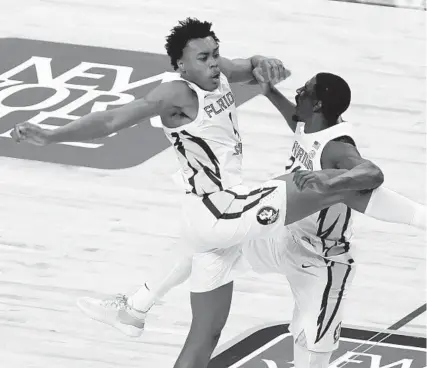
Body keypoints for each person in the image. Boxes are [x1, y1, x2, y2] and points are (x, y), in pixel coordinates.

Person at [11, 18, 425, 368]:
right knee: (312, 184)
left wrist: (267, 66)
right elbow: (112, 118)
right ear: (180, 65)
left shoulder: (221, 73)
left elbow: (253, 67)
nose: (213, 63)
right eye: (203, 58)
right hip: (219, 209)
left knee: (206, 331)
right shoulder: (176, 94)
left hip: (223, 213)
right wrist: (51, 136)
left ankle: (135, 307)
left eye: (214, 53)